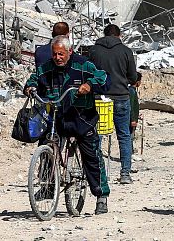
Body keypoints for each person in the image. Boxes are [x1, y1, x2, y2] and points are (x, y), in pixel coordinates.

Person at [25, 36, 110, 214]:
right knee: (46, 147)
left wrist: (89, 84)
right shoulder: (46, 68)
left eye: (61, 54)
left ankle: (101, 195)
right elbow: (34, 79)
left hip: (82, 118)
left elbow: (103, 78)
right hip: (56, 117)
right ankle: (48, 186)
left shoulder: (83, 65)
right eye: (55, 54)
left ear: (70, 52)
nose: (57, 58)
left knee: (92, 156)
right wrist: (30, 87)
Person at [88, 24, 138, 184]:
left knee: (97, 135)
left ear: (104, 34)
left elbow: (88, 72)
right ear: (119, 35)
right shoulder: (126, 51)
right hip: (121, 96)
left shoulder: (94, 50)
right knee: (124, 135)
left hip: (99, 97)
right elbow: (133, 77)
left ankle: (98, 173)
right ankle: (125, 173)